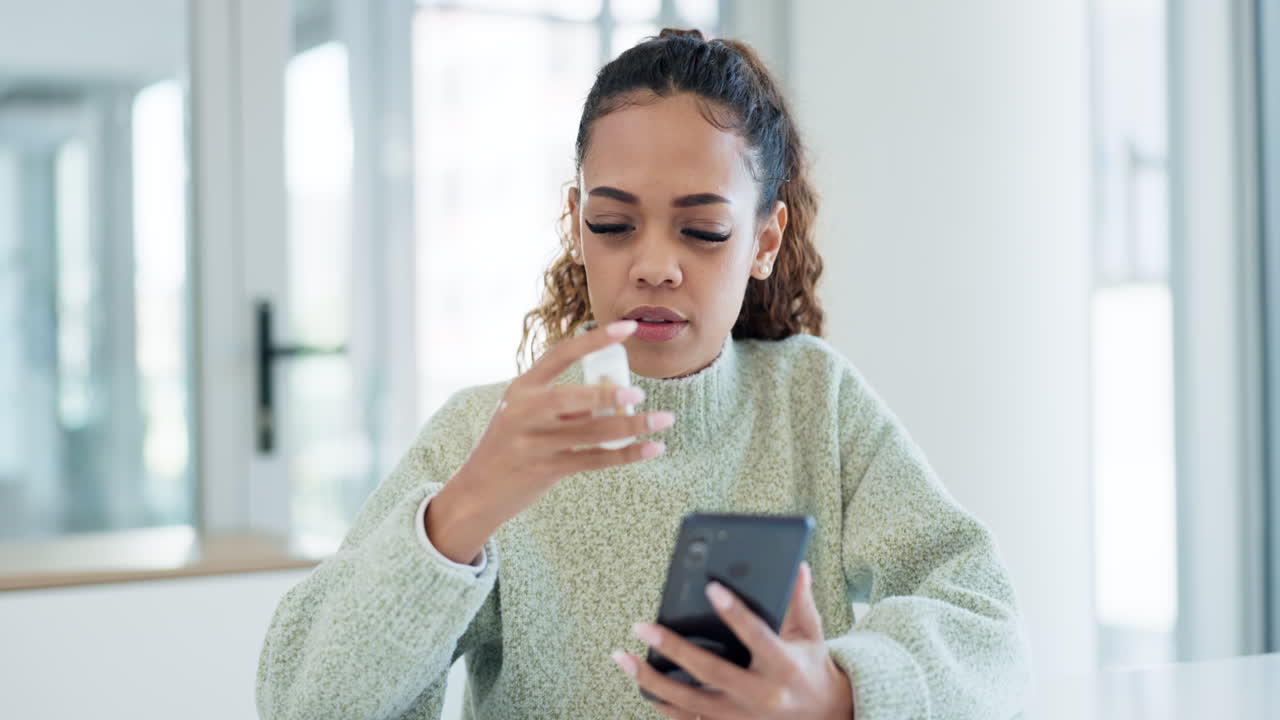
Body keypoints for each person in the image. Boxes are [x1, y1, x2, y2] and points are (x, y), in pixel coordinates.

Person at [256, 28, 1031, 720]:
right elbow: (300, 703)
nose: (655, 265)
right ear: (574, 224)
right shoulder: (485, 437)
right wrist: (459, 517)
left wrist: (835, 694)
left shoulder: (812, 402)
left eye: (703, 231)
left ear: (764, 240)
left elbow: (984, 621)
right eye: (613, 225)